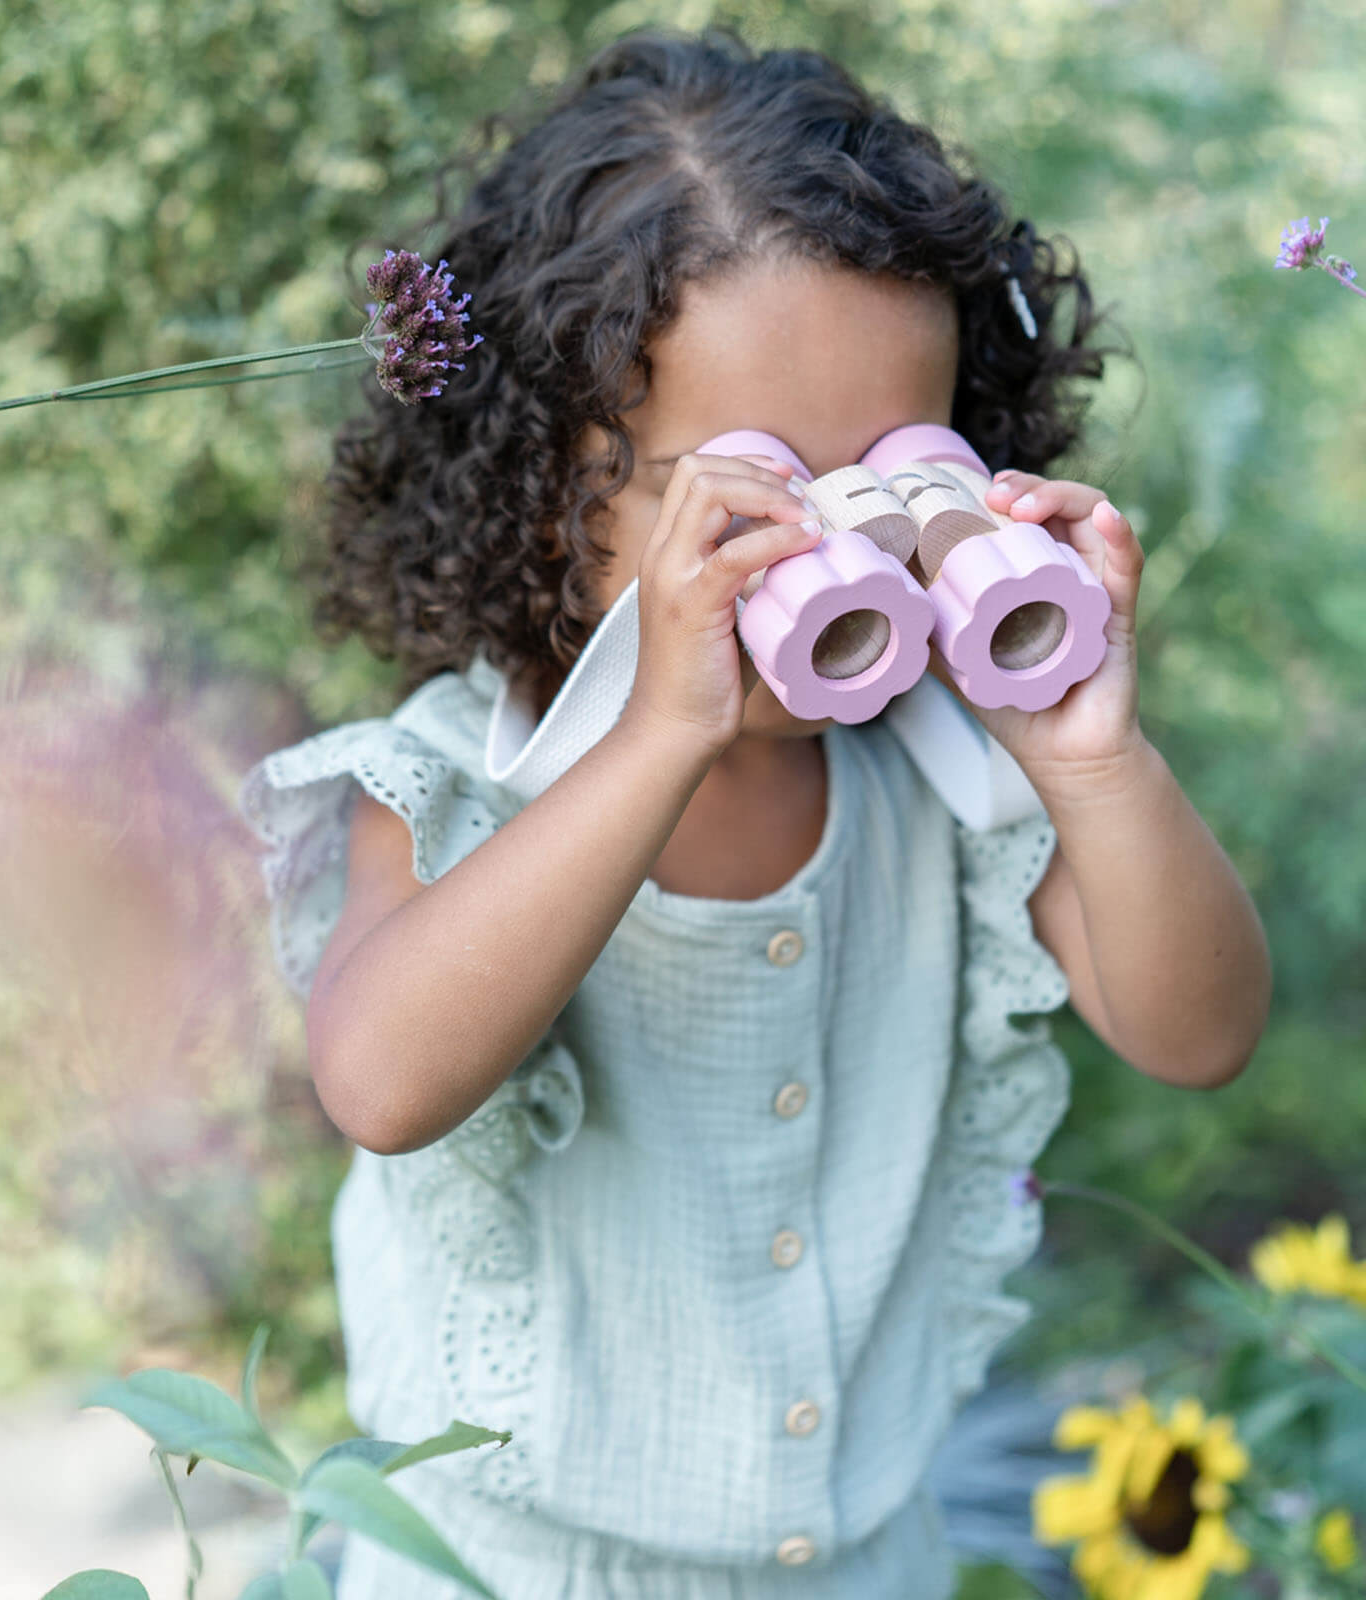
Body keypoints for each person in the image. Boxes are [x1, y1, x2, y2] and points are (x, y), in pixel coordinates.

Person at [237, 26, 1272, 1599]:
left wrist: (1090, 759)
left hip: (864, 1563)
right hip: (506, 1571)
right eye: (752, 495)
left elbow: (1198, 1033)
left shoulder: (951, 771)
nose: (827, 556)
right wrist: (658, 732)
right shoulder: (457, 780)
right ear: (556, 483)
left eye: (891, 478)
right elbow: (380, 1082)